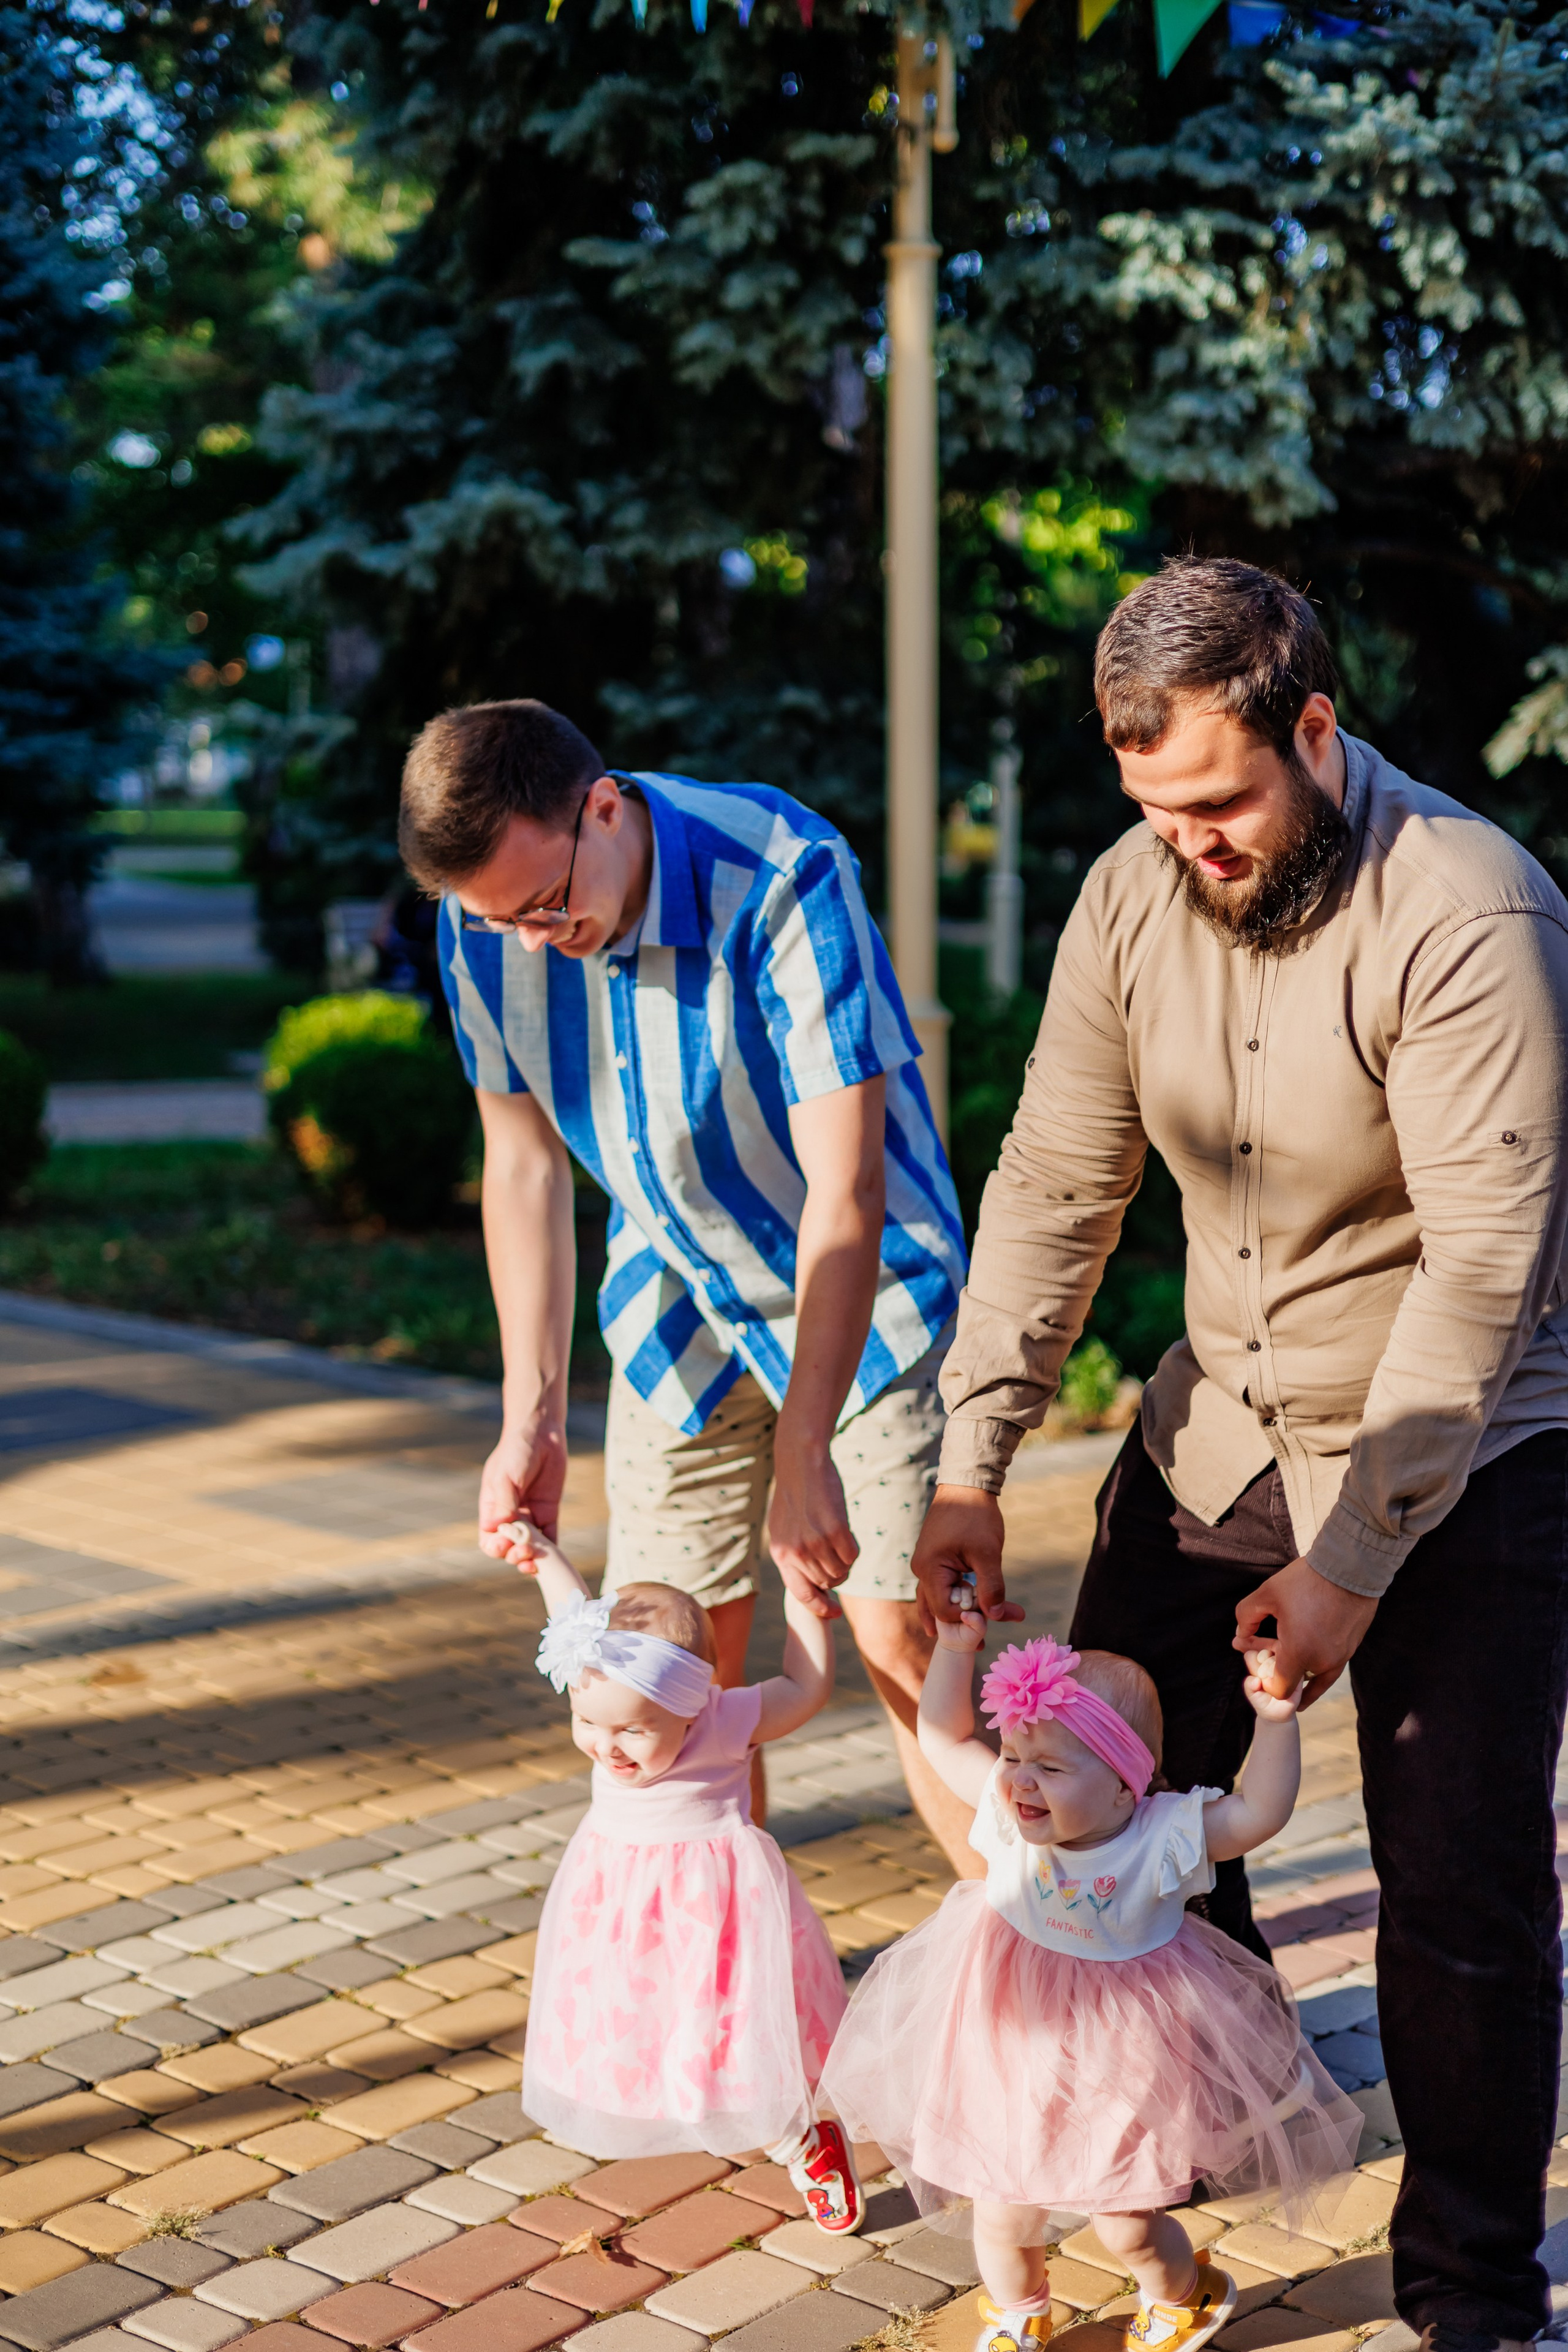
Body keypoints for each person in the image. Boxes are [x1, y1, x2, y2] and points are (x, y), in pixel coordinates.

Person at [911, 557, 1568, 2352]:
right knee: (1137, 1823)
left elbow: (1483, 1266)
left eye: (1219, 803)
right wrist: (972, 1459)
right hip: (1212, 1438)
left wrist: (1352, 1558)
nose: (1186, 844)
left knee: (1462, 1895)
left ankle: (1473, 2290)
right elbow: (1056, 1181)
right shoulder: (1130, 897)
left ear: (1315, 726)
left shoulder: (1468, 907)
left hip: (1468, 1446)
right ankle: (1184, 2161)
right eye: (1151, 809)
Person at [400, 701, 974, 1869]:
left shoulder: (780, 876)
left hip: (866, 1299)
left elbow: (846, 1194)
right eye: (494, 920)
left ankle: (1037, 1969)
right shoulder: (489, 926)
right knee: (670, 1667)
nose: (529, 942)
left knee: (897, 1636)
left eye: (547, 906)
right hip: (676, 1304)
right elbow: (522, 1169)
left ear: (601, 808)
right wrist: (534, 1415)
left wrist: (807, 1449)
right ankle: (726, 1987)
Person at [822, 1619, 1360, 2352]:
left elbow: (1258, 1813)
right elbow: (943, 1738)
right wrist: (953, 1650)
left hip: (1125, 2057)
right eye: (1013, 1755)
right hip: (1007, 2044)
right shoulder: (1008, 1818)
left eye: (1048, 1766)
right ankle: (1018, 2312)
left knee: (1126, 2221)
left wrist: (1275, 1721)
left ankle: (1182, 2295)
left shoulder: (1160, 1835)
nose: (1017, 1779)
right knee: (1001, 2207)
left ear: (1120, 1786)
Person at [510, 1516, 864, 2232]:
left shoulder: (726, 1720)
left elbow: (805, 1686)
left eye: (633, 1731)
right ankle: (697, 2105)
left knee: (732, 2038)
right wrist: (546, 1554)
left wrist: (804, 1603)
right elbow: (571, 1617)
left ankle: (799, 2142)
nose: (606, 1748)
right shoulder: (600, 1675)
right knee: (645, 2026)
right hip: (620, 1910)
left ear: (692, 1704)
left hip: (715, 1916)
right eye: (588, 1723)